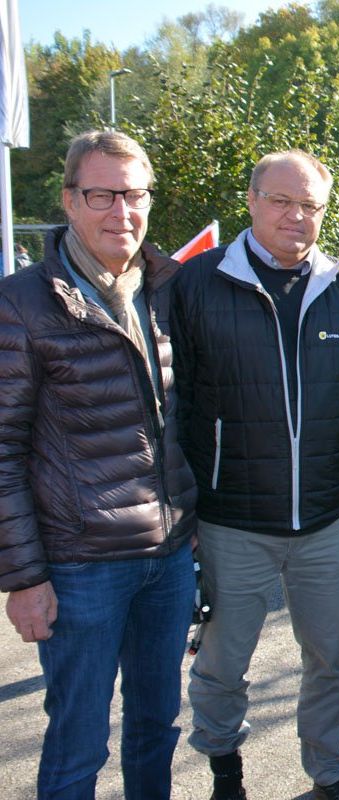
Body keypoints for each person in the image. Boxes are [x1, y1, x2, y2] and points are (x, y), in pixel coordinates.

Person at [173, 149, 339, 800]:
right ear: (251, 201)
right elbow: (175, 405)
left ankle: (331, 770)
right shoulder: (199, 284)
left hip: (326, 517)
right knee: (222, 665)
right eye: (281, 201)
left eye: (310, 205)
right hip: (228, 518)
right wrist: (182, 507)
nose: (295, 216)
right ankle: (225, 771)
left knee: (330, 658)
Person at [0, 130, 198, 798]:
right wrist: (24, 577)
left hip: (167, 560)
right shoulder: (22, 304)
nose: (122, 211)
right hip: (80, 566)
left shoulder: (168, 287)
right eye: (102, 194)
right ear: (68, 200)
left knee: (157, 728)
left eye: (135, 194)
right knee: (78, 744)